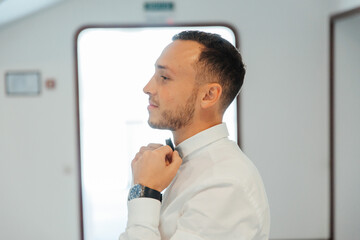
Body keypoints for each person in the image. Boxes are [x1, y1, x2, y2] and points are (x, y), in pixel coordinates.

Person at [119, 30, 270, 240]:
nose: (147, 88)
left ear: (208, 95)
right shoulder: (183, 164)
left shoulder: (225, 184)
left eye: (164, 77)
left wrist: (145, 192)